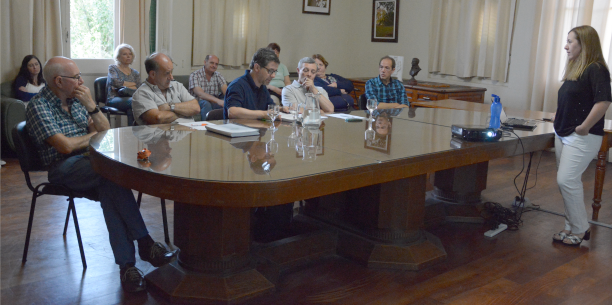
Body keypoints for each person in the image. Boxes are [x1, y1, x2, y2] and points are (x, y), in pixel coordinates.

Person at [25, 56, 175, 293]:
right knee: (110, 172)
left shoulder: (76, 101)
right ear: (58, 80)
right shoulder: (38, 106)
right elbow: (64, 147)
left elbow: (105, 131)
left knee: (110, 183)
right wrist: (90, 138)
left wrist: (92, 107)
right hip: (62, 168)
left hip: (90, 163)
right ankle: (145, 242)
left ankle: (127, 266)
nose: (81, 81)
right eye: (75, 77)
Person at [552, 25, 611, 246]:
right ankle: (570, 226)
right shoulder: (575, 67)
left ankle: (580, 228)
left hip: (582, 136)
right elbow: (569, 99)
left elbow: (603, 101)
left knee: (566, 179)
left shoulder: (597, 69)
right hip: (563, 133)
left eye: (571, 41)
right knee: (567, 182)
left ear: (584, 43)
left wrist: (584, 127)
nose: (566, 46)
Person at [132, 52, 200, 126]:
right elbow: (159, 118)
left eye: (171, 72)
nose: (171, 77)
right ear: (153, 74)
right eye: (167, 73)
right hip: (159, 136)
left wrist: (170, 107)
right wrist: (184, 113)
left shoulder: (177, 86)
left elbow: (196, 108)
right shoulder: (142, 93)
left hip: (187, 133)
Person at [223, 48, 279, 120]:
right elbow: (233, 112)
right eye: (270, 71)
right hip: (237, 130)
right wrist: (263, 114)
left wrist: (281, 109)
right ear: (257, 67)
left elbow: (271, 107)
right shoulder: (237, 85)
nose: (273, 75)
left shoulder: (262, 87)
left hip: (256, 129)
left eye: (275, 71)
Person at [106, 44, 142, 125]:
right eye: (124, 54)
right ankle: (135, 131)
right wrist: (133, 84)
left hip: (131, 99)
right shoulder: (113, 68)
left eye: (130, 54)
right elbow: (116, 82)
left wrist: (124, 85)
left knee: (131, 108)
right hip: (114, 98)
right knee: (135, 101)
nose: (128, 56)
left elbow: (139, 88)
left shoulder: (135, 73)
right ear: (118, 57)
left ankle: (132, 132)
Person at [188, 54, 228, 120]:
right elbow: (201, 94)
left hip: (213, 102)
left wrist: (229, 101)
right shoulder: (195, 75)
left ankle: (226, 127)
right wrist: (218, 101)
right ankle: (207, 127)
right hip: (198, 102)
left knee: (226, 104)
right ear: (205, 62)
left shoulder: (218, 75)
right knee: (206, 104)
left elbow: (226, 91)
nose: (214, 66)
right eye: (212, 63)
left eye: (216, 64)